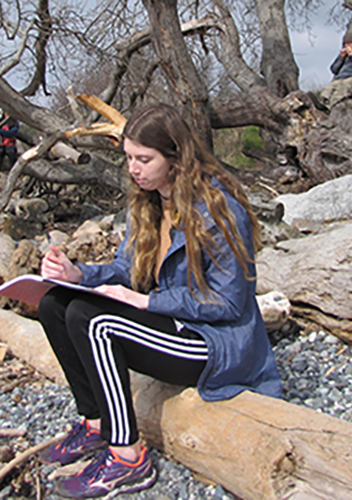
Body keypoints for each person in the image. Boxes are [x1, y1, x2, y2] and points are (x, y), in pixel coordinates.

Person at [37, 104, 282, 498]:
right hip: (176, 325)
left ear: (175, 157)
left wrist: (148, 303)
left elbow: (229, 303)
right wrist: (79, 274)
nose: (134, 168)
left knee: (94, 320)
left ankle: (128, 457)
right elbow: (124, 268)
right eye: (129, 158)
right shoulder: (149, 202)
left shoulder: (218, 210)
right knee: (56, 303)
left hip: (216, 344)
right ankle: (96, 423)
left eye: (144, 159)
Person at [311, 32, 352, 113]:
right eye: (345, 44)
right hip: (341, 78)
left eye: (349, 44)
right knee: (329, 87)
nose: (347, 46)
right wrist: (341, 58)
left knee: (342, 87)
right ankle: (322, 103)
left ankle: (330, 107)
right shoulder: (344, 55)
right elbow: (334, 69)